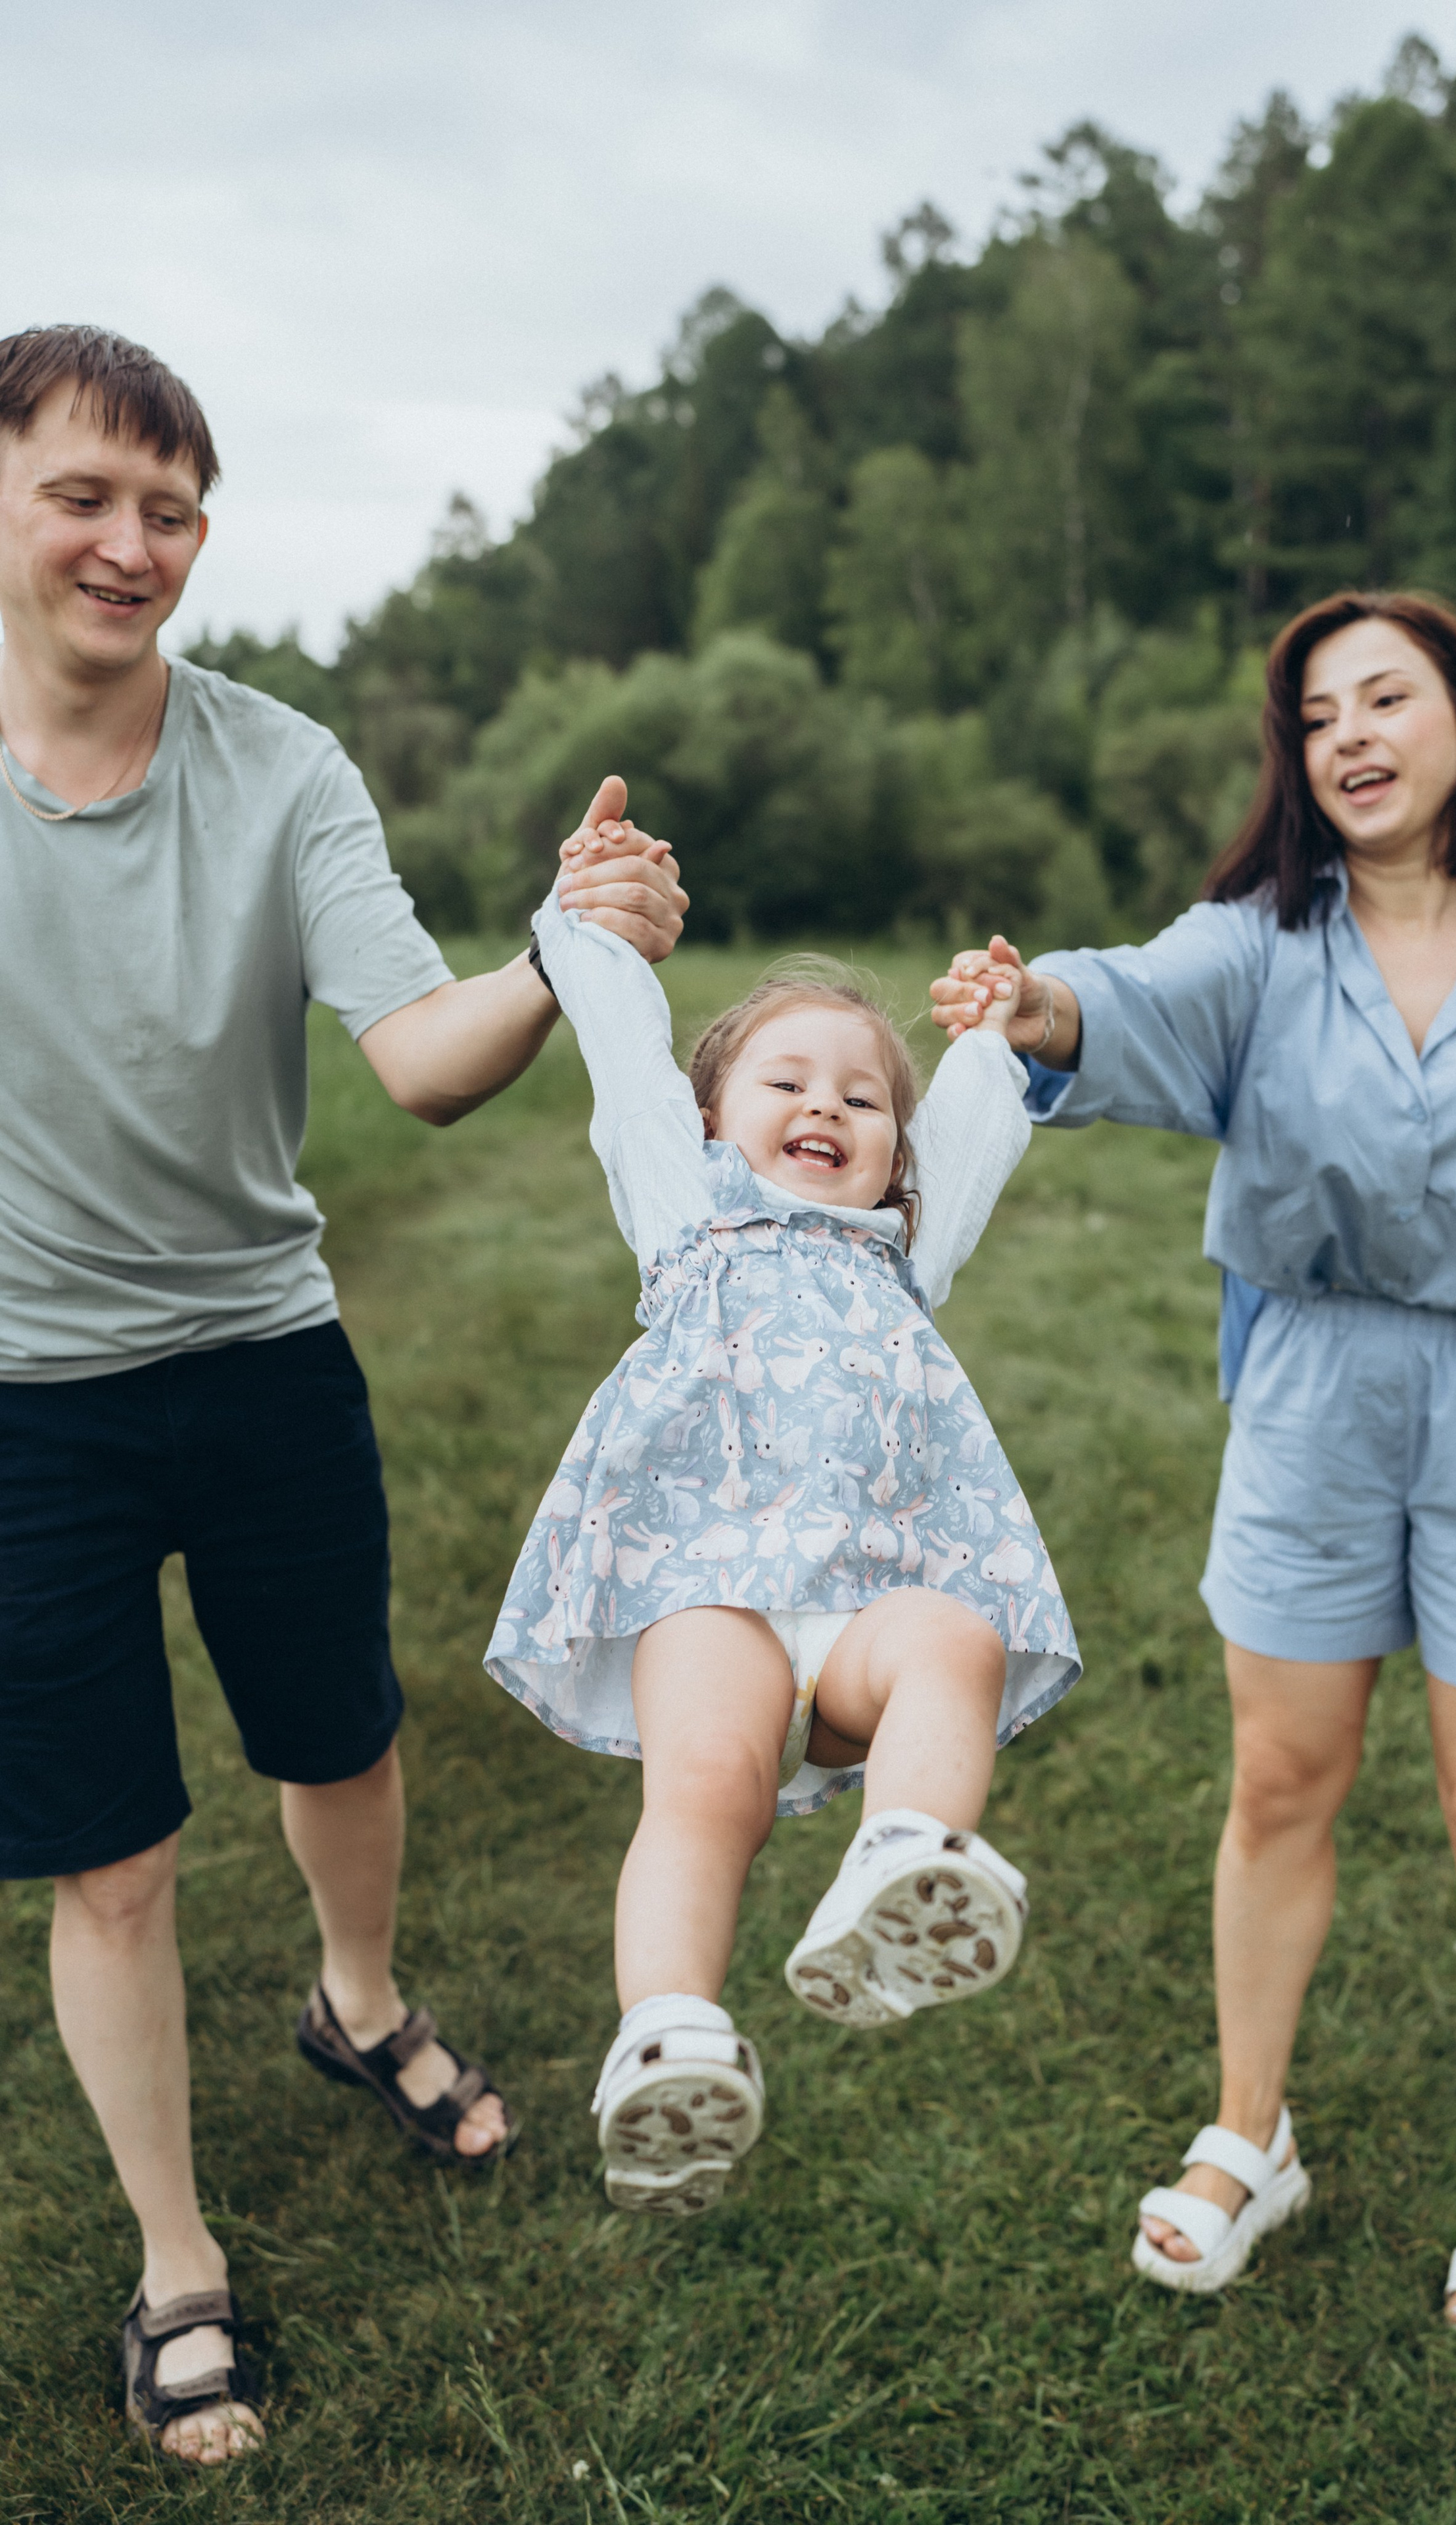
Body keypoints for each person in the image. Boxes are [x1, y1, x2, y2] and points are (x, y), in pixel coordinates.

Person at [0, 325, 686, 2463]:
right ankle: (178, 2265)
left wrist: (565, 961)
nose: (135, 544)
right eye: (85, 495)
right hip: (32, 1402)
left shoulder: (284, 768)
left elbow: (421, 1059)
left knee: (344, 1744)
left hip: (268, 1351)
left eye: (173, 508)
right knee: (108, 1852)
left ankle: (357, 2004)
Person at [931, 589, 1456, 2343]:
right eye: (1319, 715)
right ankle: (1248, 2131)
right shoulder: (1260, 939)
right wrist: (1035, 1007)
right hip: (1315, 1394)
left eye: (1386, 699)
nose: (1349, 735)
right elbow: (1117, 1000)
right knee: (1281, 1783)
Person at [482, 825, 1081, 2217]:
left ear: (894, 1153)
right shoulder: (688, 1210)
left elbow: (976, 1134)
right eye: (788, 1082)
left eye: (866, 1100)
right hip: (711, 1599)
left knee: (957, 1638)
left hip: (870, 1601)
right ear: (709, 1122)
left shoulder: (903, 1254)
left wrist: (995, 1035)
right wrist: (584, 928)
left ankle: (902, 1860)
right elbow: (627, 1052)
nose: (830, 1109)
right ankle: (671, 2028)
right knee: (704, 1793)